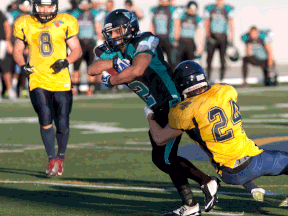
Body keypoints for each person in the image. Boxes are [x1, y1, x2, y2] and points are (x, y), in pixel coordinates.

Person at [88, 9, 220, 215]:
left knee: (203, 148)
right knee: (163, 158)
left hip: (172, 101)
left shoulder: (145, 40)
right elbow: (93, 69)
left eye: (116, 31)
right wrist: (114, 62)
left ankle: (210, 182)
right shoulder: (115, 51)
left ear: (130, 28)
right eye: (110, 33)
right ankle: (191, 204)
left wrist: (112, 79)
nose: (113, 36)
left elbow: (138, 69)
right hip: (157, 106)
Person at [146, 60, 288, 208]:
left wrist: (150, 115)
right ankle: (253, 187)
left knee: (231, 156)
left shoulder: (183, 112)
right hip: (255, 161)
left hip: (230, 174)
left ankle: (253, 188)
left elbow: (159, 138)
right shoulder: (226, 90)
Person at [13, 0, 82, 177]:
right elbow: (17, 50)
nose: (45, 10)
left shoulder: (65, 21)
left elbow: (77, 50)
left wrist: (66, 61)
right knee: (44, 117)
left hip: (61, 79)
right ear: (34, 6)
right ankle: (51, 158)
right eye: (41, 6)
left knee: (63, 123)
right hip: (37, 78)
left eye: (49, 6)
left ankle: (61, 157)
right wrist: (22, 65)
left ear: (55, 7)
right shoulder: (25, 22)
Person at [71, 0, 100, 95]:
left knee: (90, 67)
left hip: (90, 43)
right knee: (76, 68)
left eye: (86, 4)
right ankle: (75, 88)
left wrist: (99, 39)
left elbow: (97, 26)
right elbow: (72, 28)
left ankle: (90, 87)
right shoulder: (76, 13)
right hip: (80, 43)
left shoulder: (93, 13)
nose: (84, 6)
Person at [204, 0, 234, 82]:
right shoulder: (210, 8)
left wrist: (232, 38)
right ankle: (208, 79)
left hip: (223, 37)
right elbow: (207, 22)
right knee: (209, 59)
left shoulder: (227, 9)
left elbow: (231, 23)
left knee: (222, 60)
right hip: (213, 36)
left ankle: (221, 79)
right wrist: (208, 36)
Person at [173, 1, 203, 66]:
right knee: (177, 63)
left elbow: (199, 33)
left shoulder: (197, 18)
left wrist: (200, 46)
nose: (192, 11)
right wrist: (176, 39)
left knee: (189, 64)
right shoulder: (182, 15)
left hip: (190, 42)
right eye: (191, 9)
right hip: (181, 41)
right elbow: (177, 27)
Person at [150, 0, 177, 66]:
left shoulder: (172, 9)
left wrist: (176, 38)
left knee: (172, 62)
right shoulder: (154, 9)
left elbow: (177, 24)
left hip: (169, 39)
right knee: (157, 62)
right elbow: (152, 25)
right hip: (157, 39)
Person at [0, 9, 15, 100]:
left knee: (5, 67)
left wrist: (7, 41)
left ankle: (9, 90)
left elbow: (7, 25)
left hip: (1, 43)